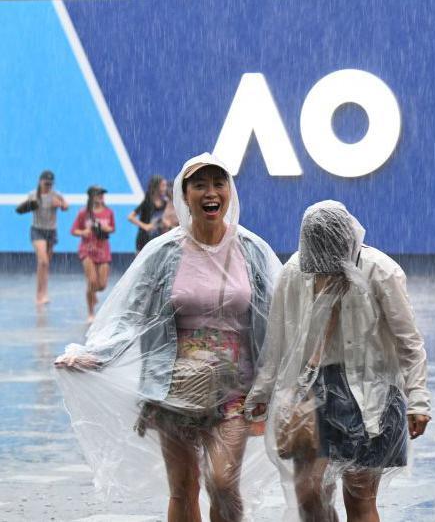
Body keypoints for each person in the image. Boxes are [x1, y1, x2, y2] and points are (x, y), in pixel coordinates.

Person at [55, 153, 282, 522]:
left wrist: (291, 372)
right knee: (183, 487)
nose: (210, 192)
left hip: (235, 392)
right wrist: (95, 354)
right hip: (173, 389)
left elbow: (278, 318)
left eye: (218, 183)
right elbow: (131, 315)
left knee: (223, 484)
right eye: (200, 185)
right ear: (185, 194)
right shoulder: (163, 253)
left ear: (229, 192)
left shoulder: (251, 250)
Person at [245, 200, 431, 522]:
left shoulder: (380, 271)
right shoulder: (294, 272)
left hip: (372, 391)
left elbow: (408, 340)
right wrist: (262, 392)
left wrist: (418, 399)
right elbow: (278, 340)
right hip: (311, 392)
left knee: (359, 498)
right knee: (308, 493)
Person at [18, 170, 68, 305]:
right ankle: (39, 295)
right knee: (43, 261)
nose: (48, 186)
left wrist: (61, 204)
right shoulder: (33, 195)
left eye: (50, 184)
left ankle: (43, 292)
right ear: (40, 182)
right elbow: (21, 209)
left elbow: (66, 206)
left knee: (45, 265)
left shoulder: (56, 195)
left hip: (51, 231)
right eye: (46, 183)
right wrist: (29, 205)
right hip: (37, 230)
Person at [71, 185, 115, 322]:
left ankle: (92, 294)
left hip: (103, 250)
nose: (101, 196)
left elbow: (112, 228)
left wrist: (107, 228)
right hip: (87, 249)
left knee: (101, 285)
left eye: (102, 193)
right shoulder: (83, 213)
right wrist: (83, 232)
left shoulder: (109, 212)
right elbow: (74, 230)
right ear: (91, 197)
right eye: (98, 194)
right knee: (91, 281)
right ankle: (90, 313)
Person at [128, 174, 170, 253]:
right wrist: (145, 226)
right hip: (143, 239)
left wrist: (165, 223)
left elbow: (161, 218)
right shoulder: (147, 202)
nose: (165, 188)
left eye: (166, 186)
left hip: (156, 239)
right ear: (156, 187)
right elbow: (130, 217)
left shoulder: (165, 203)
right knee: (141, 264)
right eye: (163, 186)